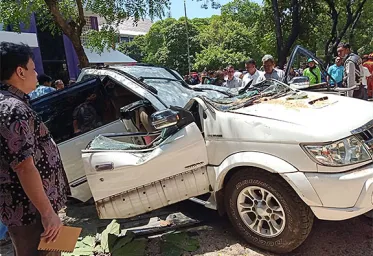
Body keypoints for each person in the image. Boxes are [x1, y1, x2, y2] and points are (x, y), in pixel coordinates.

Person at [0, 42, 70, 256]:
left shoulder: (10, 104)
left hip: (26, 211)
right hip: (32, 214)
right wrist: (48, 213)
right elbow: (24, 167)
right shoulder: (14, 109)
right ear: (20, 72)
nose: (37, 73)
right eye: (33, 68)